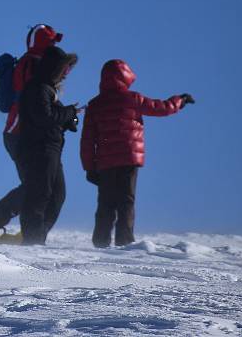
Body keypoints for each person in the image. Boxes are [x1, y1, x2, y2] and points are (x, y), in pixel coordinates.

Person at [80, 59, 194, 248]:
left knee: (106, 202)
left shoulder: (95, 105)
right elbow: (161, 108)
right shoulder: (132, 98)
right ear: (125, 77)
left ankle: (100, 241)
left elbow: (87, 140)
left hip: (105, 163)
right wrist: (179, 101)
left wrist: (89, 168)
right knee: (126, 200)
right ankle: (125, 241)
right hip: (128, 159)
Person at [0, 25, 64, 235]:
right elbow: (34, 103)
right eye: (51, 43)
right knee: (38, 188)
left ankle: (33, 234)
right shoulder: (31, 64)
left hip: (37, 136)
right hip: (22, 134)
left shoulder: (38, 67)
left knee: (53, 191)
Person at [18, 45, 80, 245]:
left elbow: (53, 117)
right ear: (55, 68)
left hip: (51, 149)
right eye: (65, 69)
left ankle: (37, 237)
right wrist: (69, 113)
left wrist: (69, 118)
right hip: (39, 149)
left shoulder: (47, 90)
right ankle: (32, 239)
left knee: (57, 195)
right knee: (40, 194)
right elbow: (44, 117)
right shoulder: (38, 88)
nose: (66, 74)